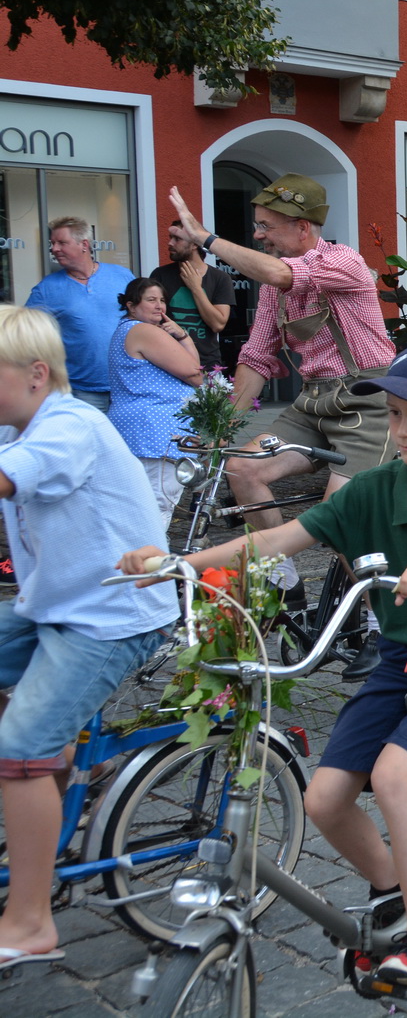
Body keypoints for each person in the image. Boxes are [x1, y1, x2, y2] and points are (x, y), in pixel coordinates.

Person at [120, 342, 407, 995]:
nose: (401, 430)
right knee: (323, 798)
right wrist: (181, 563)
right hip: (402, 660)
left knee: (396, 775)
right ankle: (394, 888)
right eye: (395, 414)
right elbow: (278, 538)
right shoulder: (374, 489)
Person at [0, 306, 180, 972]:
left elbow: (13, 476)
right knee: (25, 741)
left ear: (35, 374)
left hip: (113, 615)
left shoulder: (68, 425)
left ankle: (31, 920)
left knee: (20, 742)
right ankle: (50, 774)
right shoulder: (20, 425)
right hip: (55, 606)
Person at [164, 177, 396, 532]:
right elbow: (256, 358)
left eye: (265, 226)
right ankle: (281, 578)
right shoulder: (275, 290)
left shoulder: (343, 260)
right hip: (313, 403)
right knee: (242, 468)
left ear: (302, 227)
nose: (257, 234)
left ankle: (366, 585)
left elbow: (281, 273)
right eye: (257, 225)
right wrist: (220, 428)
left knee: (335, 520)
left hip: (367, 401)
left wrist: (206, 240)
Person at [108, 278, 205, 522]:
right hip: (155, 432)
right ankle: (149, 556)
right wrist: (184, 339)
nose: (159, 306)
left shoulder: (126, 329)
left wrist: (183, 336)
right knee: (157, 505)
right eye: (151, 300)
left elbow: (195, 370)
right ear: (131, 305)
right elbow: (195, 374)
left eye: (162, 300)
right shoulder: (143, 330)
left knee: (136, 506)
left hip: (139, 430)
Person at [24, 216, 134, 411]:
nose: (54, 249)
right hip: (82, 392)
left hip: (128, 385)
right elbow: (24, 333)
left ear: (84, 245)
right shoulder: (46, 289)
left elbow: (146, 319)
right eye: (52, 243)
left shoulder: (121, 276)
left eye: (61, 243)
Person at [150, 222, 235, 372]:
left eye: (177, 239)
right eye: (170, 238)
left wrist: (196, 287)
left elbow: (218, 324)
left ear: (195, 244)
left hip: (206, 365)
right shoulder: (160, 275)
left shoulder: (220, 278)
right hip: (167, 362)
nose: (170, 243)